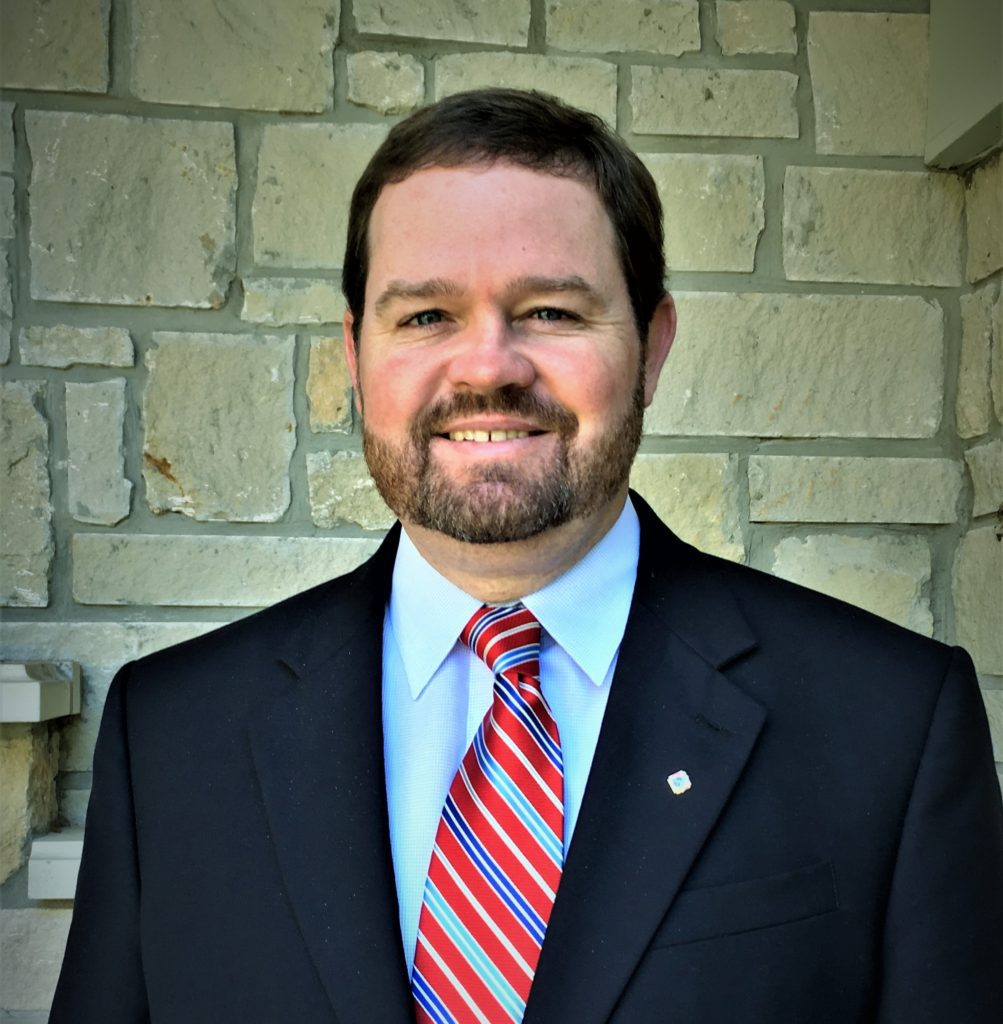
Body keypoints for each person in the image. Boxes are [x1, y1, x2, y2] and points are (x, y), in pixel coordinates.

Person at [51, 89, 1003, 1023]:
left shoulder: (889, 724)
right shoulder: (174, 735)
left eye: (550, 310)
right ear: (354, 355)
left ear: (653, 346)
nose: (487, 366)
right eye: (424, 316)